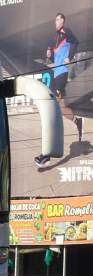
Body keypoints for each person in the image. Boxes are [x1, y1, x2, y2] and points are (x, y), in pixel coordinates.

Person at [35, 12, 83, 167]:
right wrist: (49, 56)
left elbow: (76, 42)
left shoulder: (66, 31)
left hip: (62, 74)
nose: (55, 22)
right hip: (56, 75)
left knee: (52, 108)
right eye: (55, 20)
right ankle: (78, 121)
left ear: (62, 20)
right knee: (61, 109)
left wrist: (71, 57)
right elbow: (55, 59)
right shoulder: (55, 38)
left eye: (57, 20)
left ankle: (46, 156)